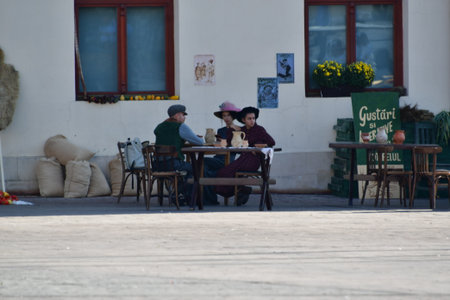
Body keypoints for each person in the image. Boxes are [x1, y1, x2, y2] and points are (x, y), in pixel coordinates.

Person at [215, 106, 276, 206]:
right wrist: (232, 129)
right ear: (243, 120)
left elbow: (271, 142)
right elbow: (231, 142)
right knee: (223, 172)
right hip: (242, 159)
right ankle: (242, 188)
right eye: (249, 119)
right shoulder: (242, 130)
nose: (252, 121)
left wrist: (258, 146)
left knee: (229, 172)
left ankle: (241, 189)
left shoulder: (259, 129)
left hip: (254, 161)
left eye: (253, 118)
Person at [154, 104, 203, 203]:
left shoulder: (159, 126)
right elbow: (200, 142)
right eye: (183, 115)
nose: (184, 118)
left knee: (185, 169)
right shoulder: (180, 126)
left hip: (157, 165)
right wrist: (195, 137)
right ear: (177, 115)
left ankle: (180, 195)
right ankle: (180, 194)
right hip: (173, 164)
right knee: (194, 169)